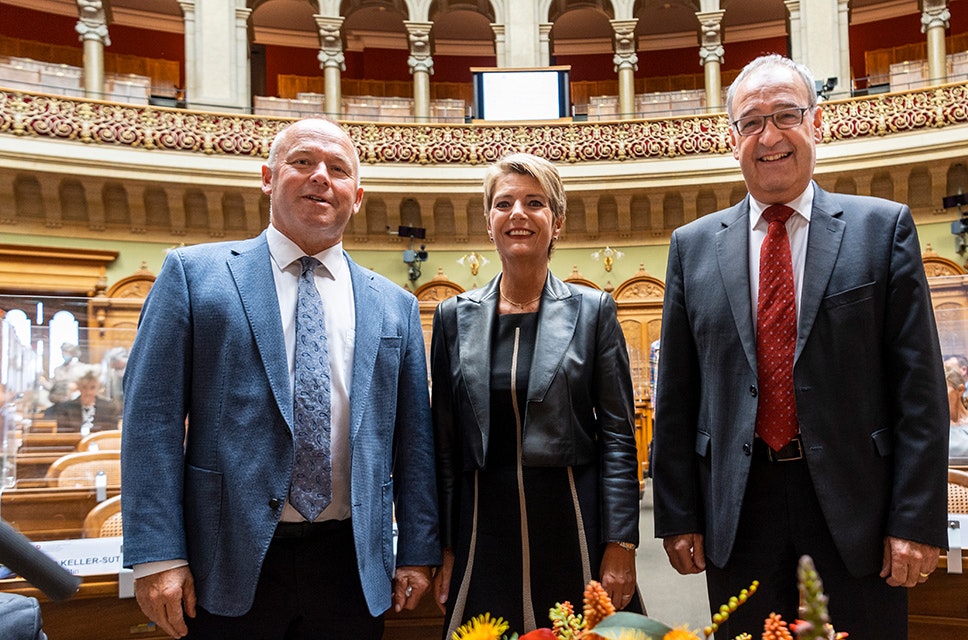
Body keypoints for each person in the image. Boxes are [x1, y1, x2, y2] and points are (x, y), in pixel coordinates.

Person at [652, 54, 949, 639]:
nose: (769, 136)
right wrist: (678, 513)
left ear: (817, 122)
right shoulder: (692, 247)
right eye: (751, 122)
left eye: (786, 115)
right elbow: (678, 396)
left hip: (858, 511)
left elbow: (919, 391)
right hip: (739, 509)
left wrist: (915, 520)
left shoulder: (882, 229)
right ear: (732, 138)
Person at [121, 118, 440, 640]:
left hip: (352, 562)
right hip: (226, 559)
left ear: (357, 197)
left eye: (338, 169)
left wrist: (418, 549)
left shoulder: (395, 305)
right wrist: (157, 556)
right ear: (268, 178)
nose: (321, 177)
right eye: (303, 161)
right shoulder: (193, 276)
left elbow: (414, 442)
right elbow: (151, 422)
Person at [430, 153, 641, 638]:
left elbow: (618, 437)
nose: (518, 214)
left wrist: (621, 542)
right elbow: (444, 445)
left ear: (557, 221)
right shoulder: (452, 317)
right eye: (504, 203)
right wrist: (444, 546)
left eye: (534, 202)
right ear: (488, 222)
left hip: (572, 521)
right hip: (482, 528)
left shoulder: (594, 311)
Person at [48, 369, 119, 433]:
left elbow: (111, 432)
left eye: (92, 388)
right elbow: (63, 433)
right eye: (84, 387)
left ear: (98, 388)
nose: (88, 392)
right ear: (79, 387)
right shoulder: (66, 408)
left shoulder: (108, 407)